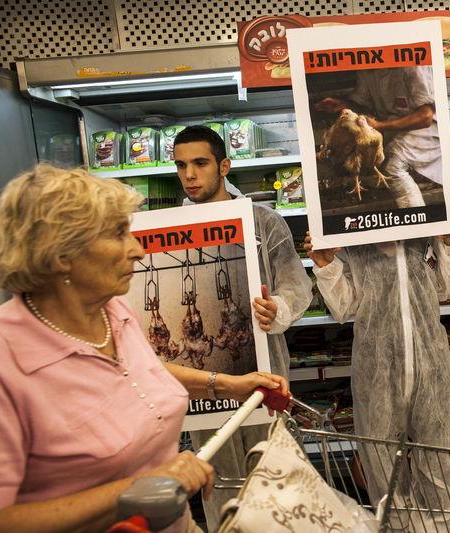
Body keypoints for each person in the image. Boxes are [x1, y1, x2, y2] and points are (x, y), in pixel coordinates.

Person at [0, 164, 289, 533]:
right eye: (119, 234)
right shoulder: (3, 360)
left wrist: (227, 384)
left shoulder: (110, 309)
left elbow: (135, 374)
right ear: (61, 254)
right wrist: (137, 489)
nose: (137, 250)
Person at [173, 125, 312, 529]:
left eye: (200, 163)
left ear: (224, 165)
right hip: (204, 378)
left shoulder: (263, 222)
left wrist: (278, 309)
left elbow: (294, 284)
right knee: (219, 478)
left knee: (274, 472)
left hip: (263, 371)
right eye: (181, 165)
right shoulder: (169, 228)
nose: (189, 175)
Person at [306, 216, 450, 533]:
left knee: (439, 455)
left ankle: (437, 526)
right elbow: (344, 306)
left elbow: (449, 287)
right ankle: (394, 525)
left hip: (430, 364)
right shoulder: (352, 239)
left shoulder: (422, 228)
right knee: (380, 458)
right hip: (375, 368)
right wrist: (325, 263)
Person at [314, 66, 441, 208]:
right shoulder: (367, 68)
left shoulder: (414, 67)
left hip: (425, 131)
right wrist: (343, 105)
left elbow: (425, 117)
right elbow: (363, 105)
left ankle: (417, 216)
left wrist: (380, 125)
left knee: (392, 165)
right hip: (389, 129)